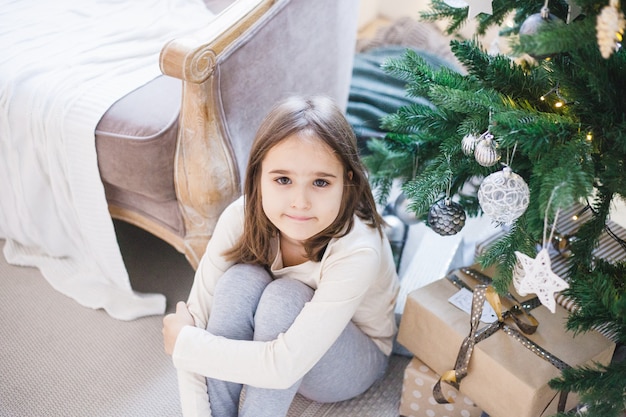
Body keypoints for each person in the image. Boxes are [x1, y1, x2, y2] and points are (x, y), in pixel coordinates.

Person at [162, 95, 400, 417]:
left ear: (347, 182)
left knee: (284, 297)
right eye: (283, 180)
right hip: (277, 346)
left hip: (351, 361)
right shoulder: (240, 216)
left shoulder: (358, 248)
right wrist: (188, 347)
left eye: (320, 182)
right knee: (238, 281)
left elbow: (280, 367)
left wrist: (186, 346)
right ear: (259, 177)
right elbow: (194, 324)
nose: (299, 202)